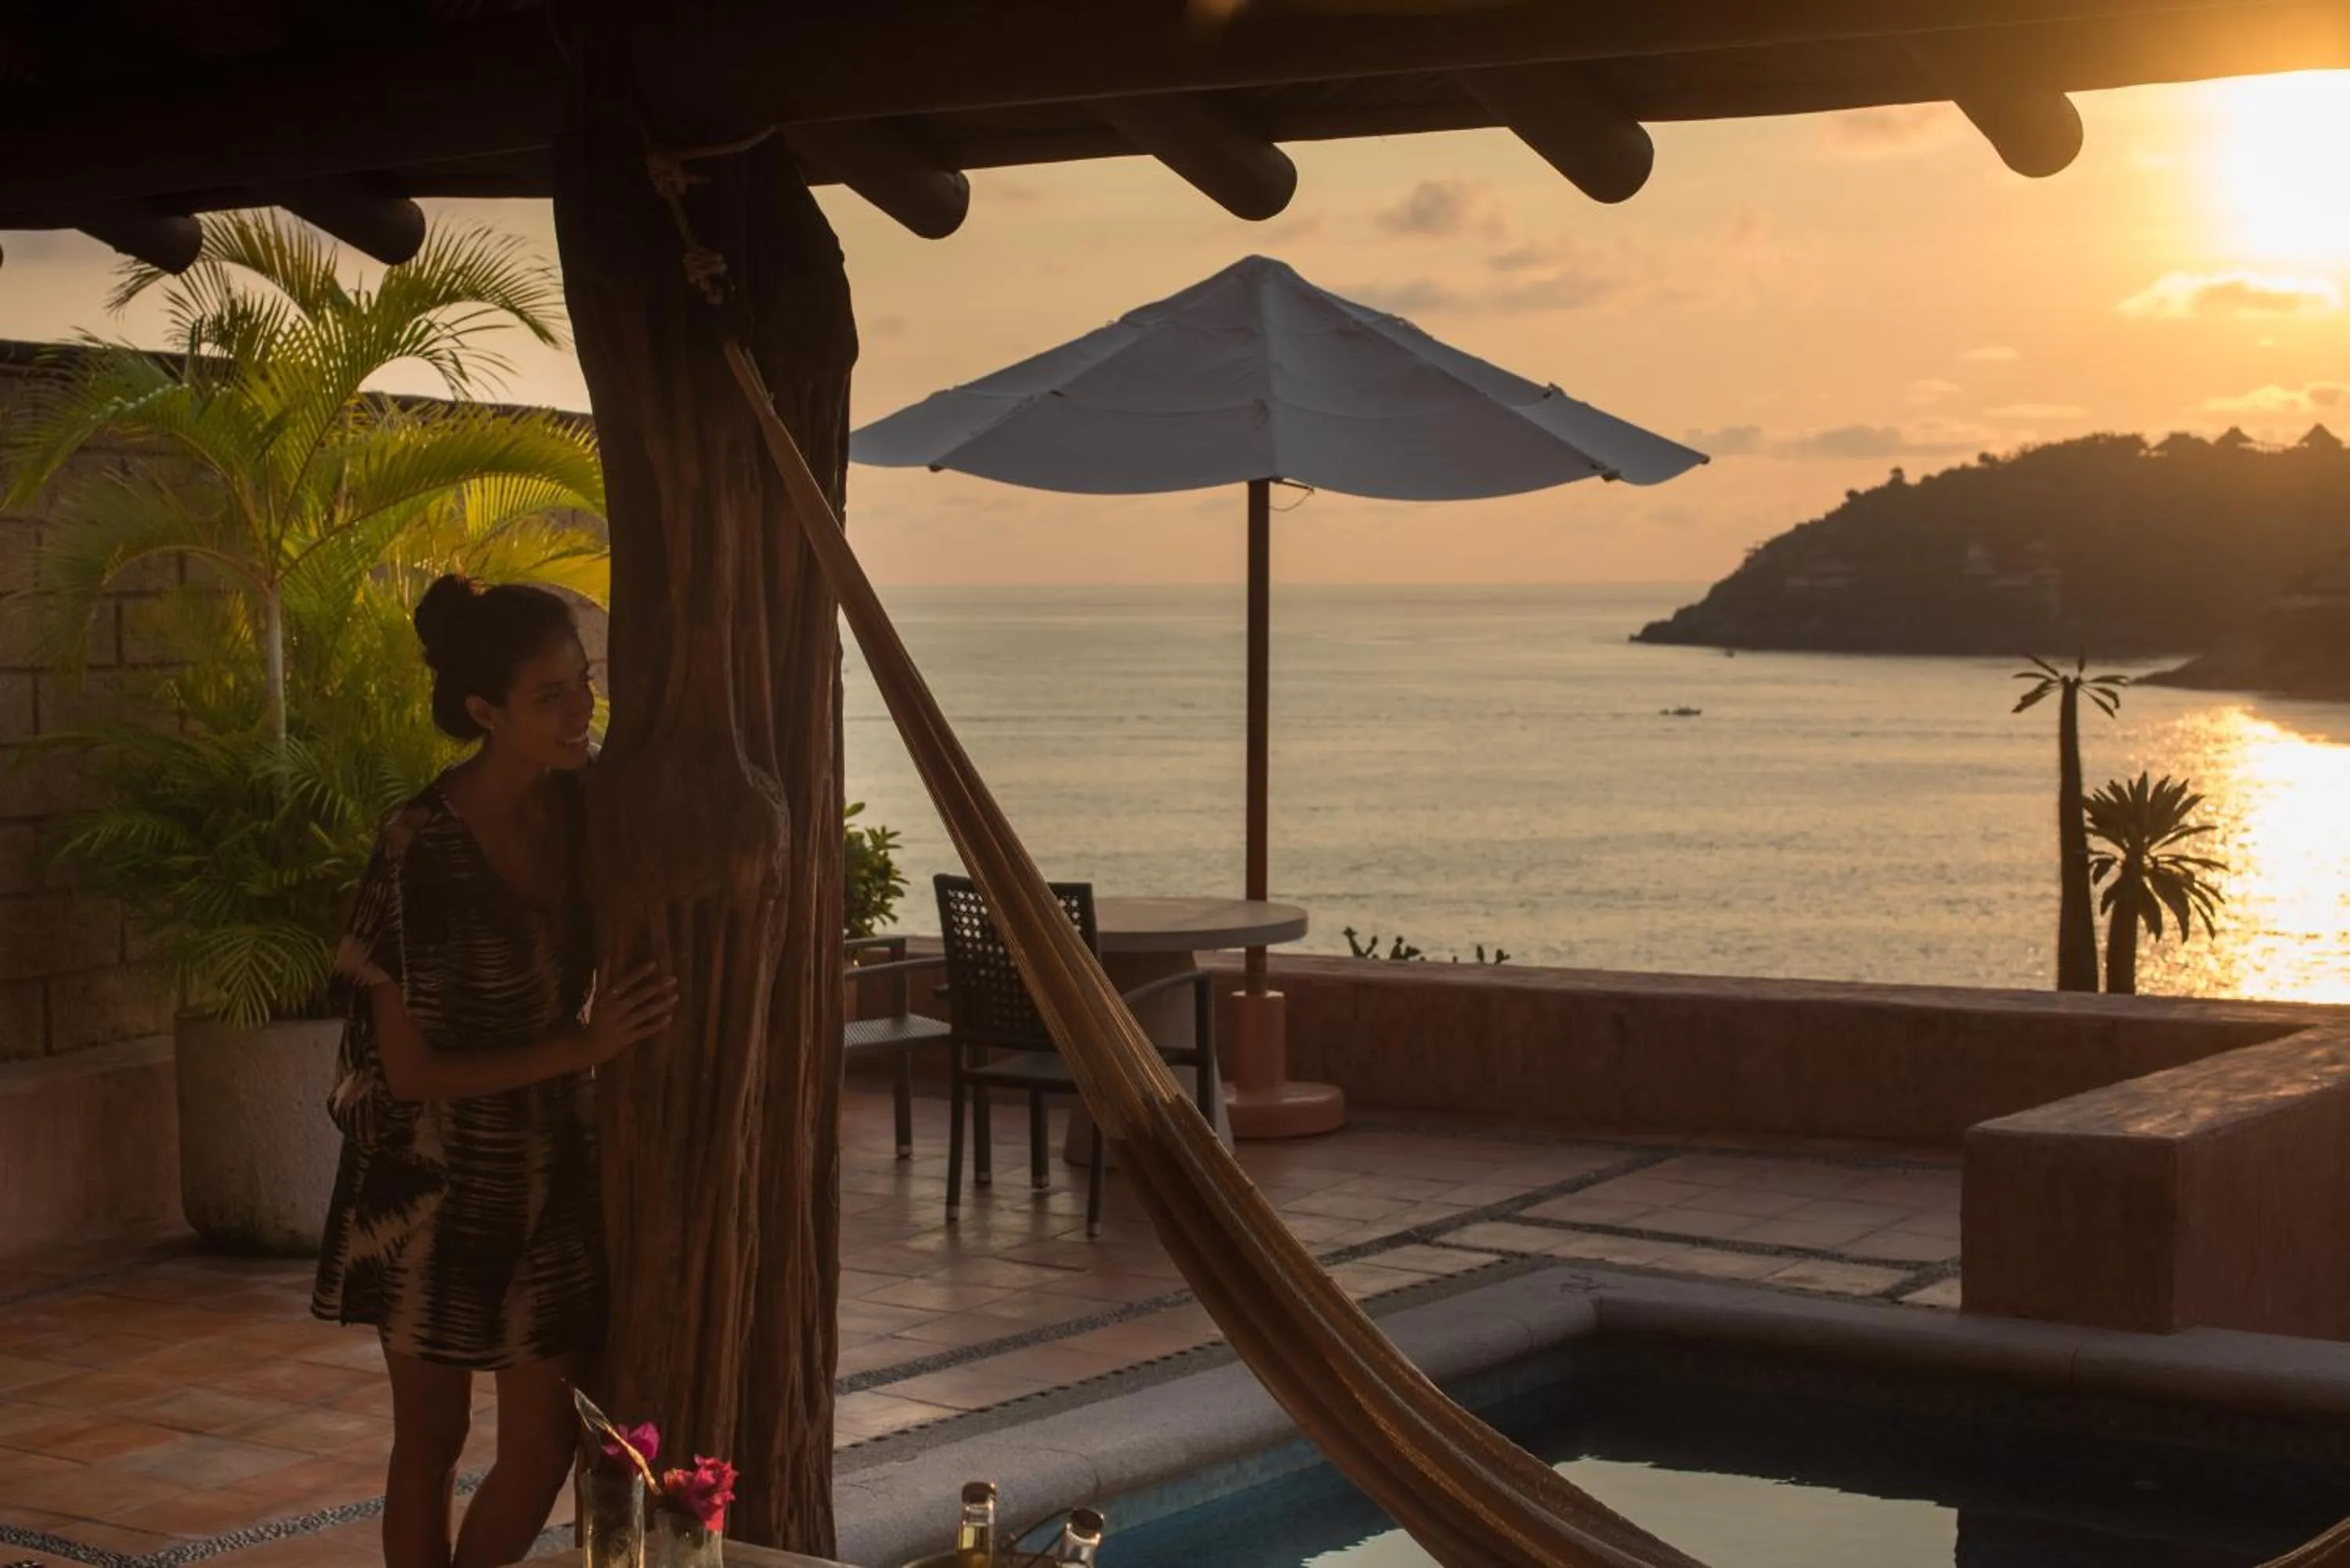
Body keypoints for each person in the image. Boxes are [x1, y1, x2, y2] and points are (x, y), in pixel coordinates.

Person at [312, 575, 677, 1568]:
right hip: (426, 1181)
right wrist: (586, 1048)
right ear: (484, 712)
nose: (580, 710)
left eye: (584, 682)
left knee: (545, 1445)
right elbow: (411, 1070)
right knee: (431, 1442)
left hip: (549, 1173)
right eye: (550, 694)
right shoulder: (418, 846)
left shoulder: (585, 809)